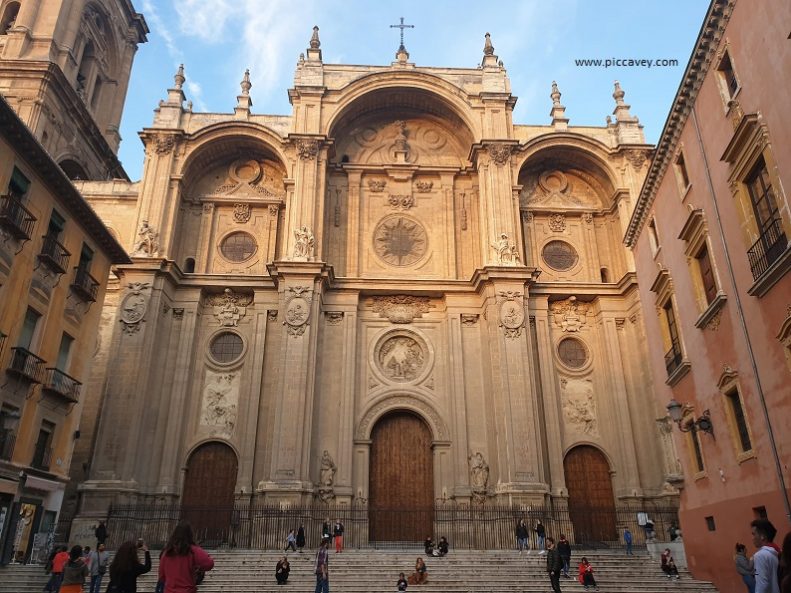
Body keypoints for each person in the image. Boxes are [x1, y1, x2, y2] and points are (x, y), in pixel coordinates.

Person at [158, 522, 214, 593]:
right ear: (190, 535)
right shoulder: (193, 550)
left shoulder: (166, 553)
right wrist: (198, 568)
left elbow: (162, 576)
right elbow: (209, 563)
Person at [751, 518, 780, 593]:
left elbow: (761, 584)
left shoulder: (760, 555)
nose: (752, 538)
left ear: (762, 536)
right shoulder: (776, 551)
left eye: (754, 534)